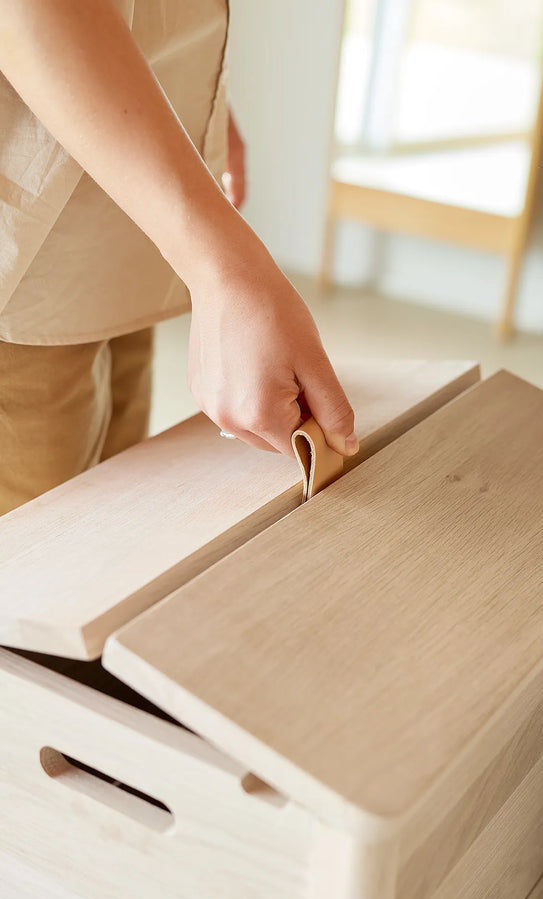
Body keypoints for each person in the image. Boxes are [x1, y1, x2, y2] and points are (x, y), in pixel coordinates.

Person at [0, 0, 358, 517]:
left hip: (131, 218)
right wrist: (226, 274)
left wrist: (194, 99)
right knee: (45, 569)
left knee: (113, 533)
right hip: (27, 265)